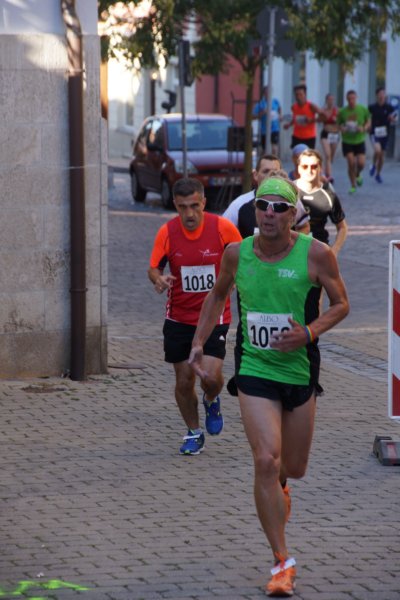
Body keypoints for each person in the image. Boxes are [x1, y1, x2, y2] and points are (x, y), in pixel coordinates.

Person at [188, 176, 349, 596]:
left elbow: (341, 304)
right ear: (254, 210)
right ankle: (282, 562)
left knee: (292, 466)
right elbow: (217, 296)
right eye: (263, 206)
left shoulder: (316, 254)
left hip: (299, 370)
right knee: (264, 459)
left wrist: (308, 333)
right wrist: (199, 342)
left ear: (294, 214)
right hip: (255, 368)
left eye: (279, 207)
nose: (270, 214)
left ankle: (281, 487)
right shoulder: (236, 254)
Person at [148, 178, 242, 455]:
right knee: (184, 381)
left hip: (214, 317)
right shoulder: (167, 232)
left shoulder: (223, 228)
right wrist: (158, 279)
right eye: (182, 207)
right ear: (175, 206)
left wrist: (235, 280)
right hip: (179, 318)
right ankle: (193, 432)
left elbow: (244, 259)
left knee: (210, 377)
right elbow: (153, 267)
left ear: (203, 203)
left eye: (194, 206)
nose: (189, 213)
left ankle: (211, 399)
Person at [223, 153, 310, 238]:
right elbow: (223, 232)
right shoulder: (239, 204)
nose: (270, 176)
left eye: (279, 207)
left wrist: (293, 245)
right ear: (255, 175)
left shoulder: (291, 201)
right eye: (262, 205)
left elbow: (304, 226)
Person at [295, 149, 348, 255]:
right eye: (305, 166)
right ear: (299, 168)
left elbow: (342, 227)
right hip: (293, 250)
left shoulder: (329, 195)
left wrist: (334, 250)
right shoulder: (289, 191)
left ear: (320, 168)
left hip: (319, 250)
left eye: (314, 166)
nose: (309, 170)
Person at [338, 90, 371, 194]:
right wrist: (342, 128)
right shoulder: (342, 111)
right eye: (349, 99)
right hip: (347, 141)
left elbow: (368, 121)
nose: (351, 101)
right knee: (351, 163)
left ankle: (357, 174)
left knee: (361, 164)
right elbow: (338, 124)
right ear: (346, 99)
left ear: (356, 98)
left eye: (353, 98)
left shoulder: (362, 109)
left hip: (359, 140)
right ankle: (353, 185)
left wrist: (364, 128)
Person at [368, 87, 398, 184]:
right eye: (380, 94)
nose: (382, 96)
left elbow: (395, 117)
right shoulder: (372, 107)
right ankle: (373, 165)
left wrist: (393, 118)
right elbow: (367, 118)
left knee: (381, 156)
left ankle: (378, 174)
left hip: (385, 133)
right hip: (374, 133)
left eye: (383, 94)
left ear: (385, 96)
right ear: (377, 95)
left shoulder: (389, 107)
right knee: (377, 150)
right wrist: (368, 125)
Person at [283, 84, 320, 149]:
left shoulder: (311, 106)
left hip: (309, 137)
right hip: (296, 136)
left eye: (301, 94)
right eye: (296, 95)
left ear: (305, 94)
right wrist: (289, 125)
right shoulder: (294, 107)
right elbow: (295, 118)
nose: (298, 97)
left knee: (308, 155)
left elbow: (323, 117)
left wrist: (312, 120)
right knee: (297, 154)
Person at [253, 86, 282, 155]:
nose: (268, 94)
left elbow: (279, 109)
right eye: (266, 93)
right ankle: (265, 160)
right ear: (264, 94)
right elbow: (253, 116)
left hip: (275, 129)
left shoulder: (275, 101)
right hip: (264, 130)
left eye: (270, 92)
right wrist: (263, 112)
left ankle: (274, 160)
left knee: (274, 148)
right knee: (265, 150)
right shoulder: (260, 104)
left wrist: (280, 115)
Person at [319, 93, 340, 182]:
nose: (330, 101)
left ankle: (327, 170)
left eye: (332, 100)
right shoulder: (323, 111)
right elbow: (319, 120)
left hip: (335, 134)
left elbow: (341, 122)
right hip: (326, 134)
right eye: (329, 100)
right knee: (327, 155)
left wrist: (337, 121)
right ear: (326, 101)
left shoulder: (337, 111)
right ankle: (329, 175)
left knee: (331, 156)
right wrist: (323, 117)